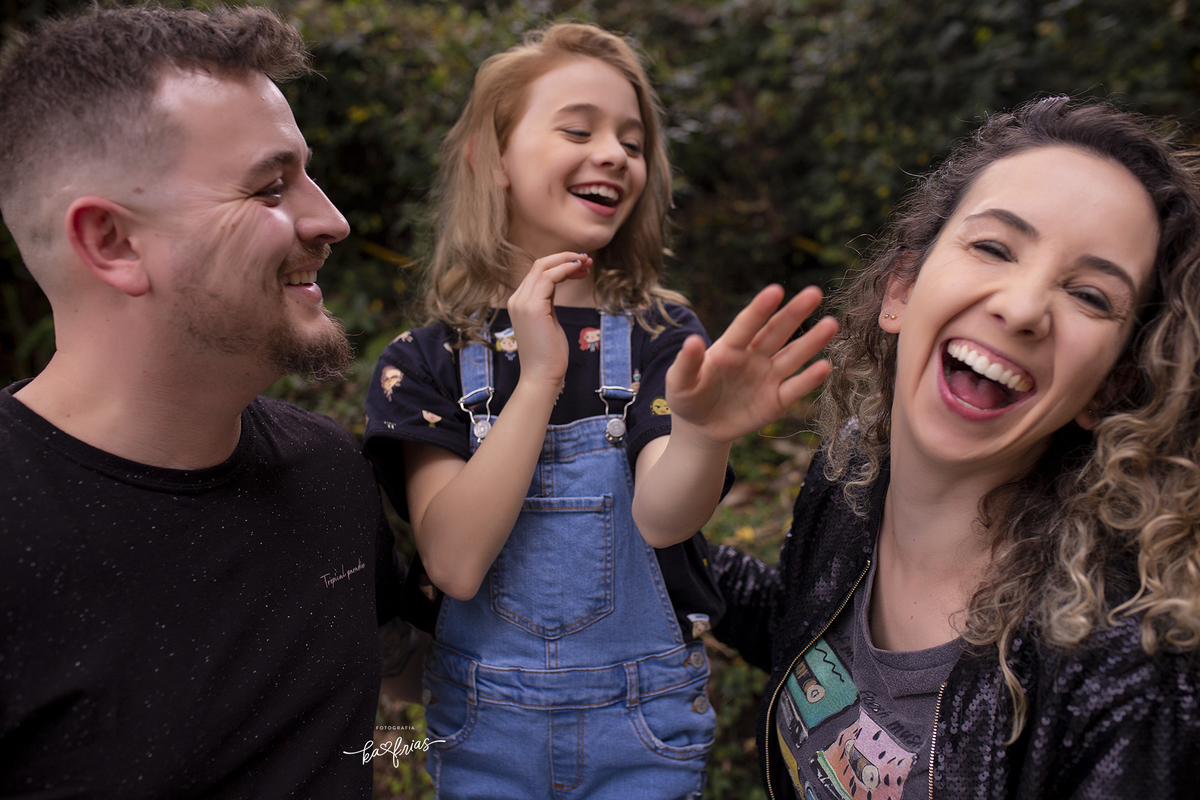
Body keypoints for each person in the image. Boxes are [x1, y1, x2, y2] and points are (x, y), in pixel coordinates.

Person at [363, 22, 837, 798]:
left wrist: (704, 432)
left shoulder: (661, 336)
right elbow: (453, 560)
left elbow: (661, 516)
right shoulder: (426, 361)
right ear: (494, 158)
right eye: (578, 129)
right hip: (484, 738)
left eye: (634, 140)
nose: (616, 154)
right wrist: (542, 374)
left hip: (641, 734)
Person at [712, 96, 1200, 799]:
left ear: (1108, 387)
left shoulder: (1130, 673)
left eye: (1091, 296)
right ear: (902, 290)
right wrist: (635, 527)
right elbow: (803, 635)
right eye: (995, 247)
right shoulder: (852, 474)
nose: (1024, 306)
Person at [0, 6, 408, 798]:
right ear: (112, 242)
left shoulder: (325, 470)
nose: (332, 219)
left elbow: (414, 673)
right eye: (270, 187)